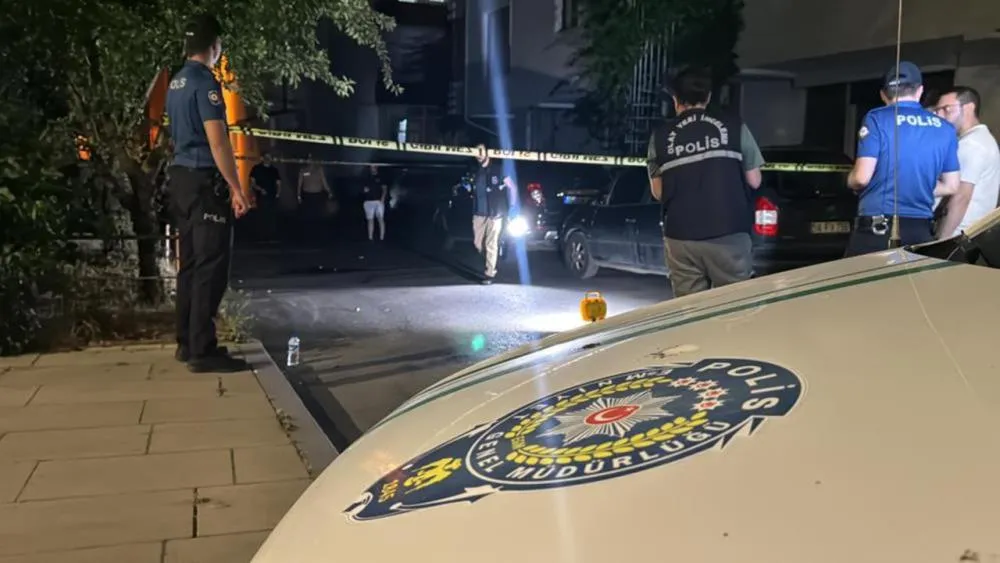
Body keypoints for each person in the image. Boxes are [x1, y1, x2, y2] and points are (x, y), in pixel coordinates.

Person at [164, 14, 251, 373]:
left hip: (181, 180)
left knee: (190, 264)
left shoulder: (176, 82)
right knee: (211, 266)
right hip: (203, 181)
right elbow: (218, 141)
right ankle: (203, 350)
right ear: (214, 46)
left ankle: (186, 342)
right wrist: (236, 187)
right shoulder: (205, 82)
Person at [646, 65, 765, 298]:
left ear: (675, 99)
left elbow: (658, 192)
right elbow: (754, 181)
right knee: (733, 305)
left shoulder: (659, 137)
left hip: (681, 236)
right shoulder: (734, 127)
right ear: (708, 97)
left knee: (689, 308)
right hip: (729, 232)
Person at [844, 61, 961, 256]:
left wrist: (849, 179)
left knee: (857, 277)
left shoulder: (877, 118)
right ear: (920, 91)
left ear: (883, 94)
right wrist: (916, 186)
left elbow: (861, 178)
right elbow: (951, 186)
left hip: (877, 230)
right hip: (920, 230)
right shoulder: (945, 128)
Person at [932, 86, 1000, 238]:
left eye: (947, 109)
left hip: (957, 234)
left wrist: (942, 240)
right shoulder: (980, 140)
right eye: (937, 111)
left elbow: (961, 197)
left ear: (969, 108)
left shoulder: (972, 144)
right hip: (970, 234)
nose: (940, 116)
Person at [471, 144, 517, 285]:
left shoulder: (498, 169)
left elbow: (512, 187)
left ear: (487, 152)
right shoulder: (475, 170)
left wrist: (512, 206)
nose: (478, 154)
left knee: (491, 243)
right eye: (476, 151)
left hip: (495, 213)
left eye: (481, 151)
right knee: (478, 244)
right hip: (479, 213)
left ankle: (490, 273)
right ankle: (492, 259)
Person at [296, 156, 333, 241]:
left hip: (317, 196)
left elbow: (324, 182)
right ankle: (308, 235)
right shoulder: (303, 170)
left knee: (318, 215)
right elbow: (299, 184)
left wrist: (329, 191)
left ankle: (319, 235)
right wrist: (298, 195)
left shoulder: (319, 170)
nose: (309, 161)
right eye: (308, 159)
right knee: (307, 216)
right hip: (307, 196)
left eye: (311, 159)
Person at [249, 153, 282, 242]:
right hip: (261, 196)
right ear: (262, 158)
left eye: (269, 157)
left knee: (271, 217)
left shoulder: (274, 170)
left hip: (272, 196)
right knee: (262, 216)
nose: (268, 159)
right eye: (266, 157)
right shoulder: (256, 169)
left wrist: (278, 193)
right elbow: (252, 183)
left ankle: (271, 236)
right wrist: (260, 189)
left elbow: (278, 183)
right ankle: (261, 237)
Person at [361, 164, 387, 241]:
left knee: (380, 218)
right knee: (370, 219)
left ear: (376, 167)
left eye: (374, 167)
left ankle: (382, 237)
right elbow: (363, 189)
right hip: (368, 201)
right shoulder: (366, 177)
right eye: (371, 167)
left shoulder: (381, 177)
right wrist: (364, 190)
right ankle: (370, 237)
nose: (372, 168)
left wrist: (382, 198)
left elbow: (384, 188)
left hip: (378, 201)